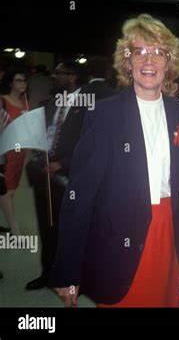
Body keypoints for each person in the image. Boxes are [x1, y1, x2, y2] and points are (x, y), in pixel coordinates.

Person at [48, 14, 179, 307]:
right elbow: (79, 197)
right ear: (127, 62)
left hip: (167, 233)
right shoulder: (104, 114)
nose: (148, 61)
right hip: (119, 238)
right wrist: (67, 270)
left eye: (158, 53)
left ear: (169, 63)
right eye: (139, 52)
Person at [25, 60, 88, 290]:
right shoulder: (54, 101)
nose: (55, 76)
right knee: (47, 225)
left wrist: (62, 163)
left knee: (71, 229)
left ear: (72, 77)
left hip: (71, 175)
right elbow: (47, 131)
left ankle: (72, 278)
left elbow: (89, 143)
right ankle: (47, 273)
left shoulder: (89, 104)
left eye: (59, 73)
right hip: (44, 173)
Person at [0, 68, 30, 235]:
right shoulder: (3, 101)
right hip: (6, 152)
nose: (23, 83)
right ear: (11, 83)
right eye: (19, 80)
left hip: (20, 153)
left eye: (24, 80)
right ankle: (14, 229)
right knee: (7, 190)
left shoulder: (25, 102)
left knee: (10, 190)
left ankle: (10, 224)